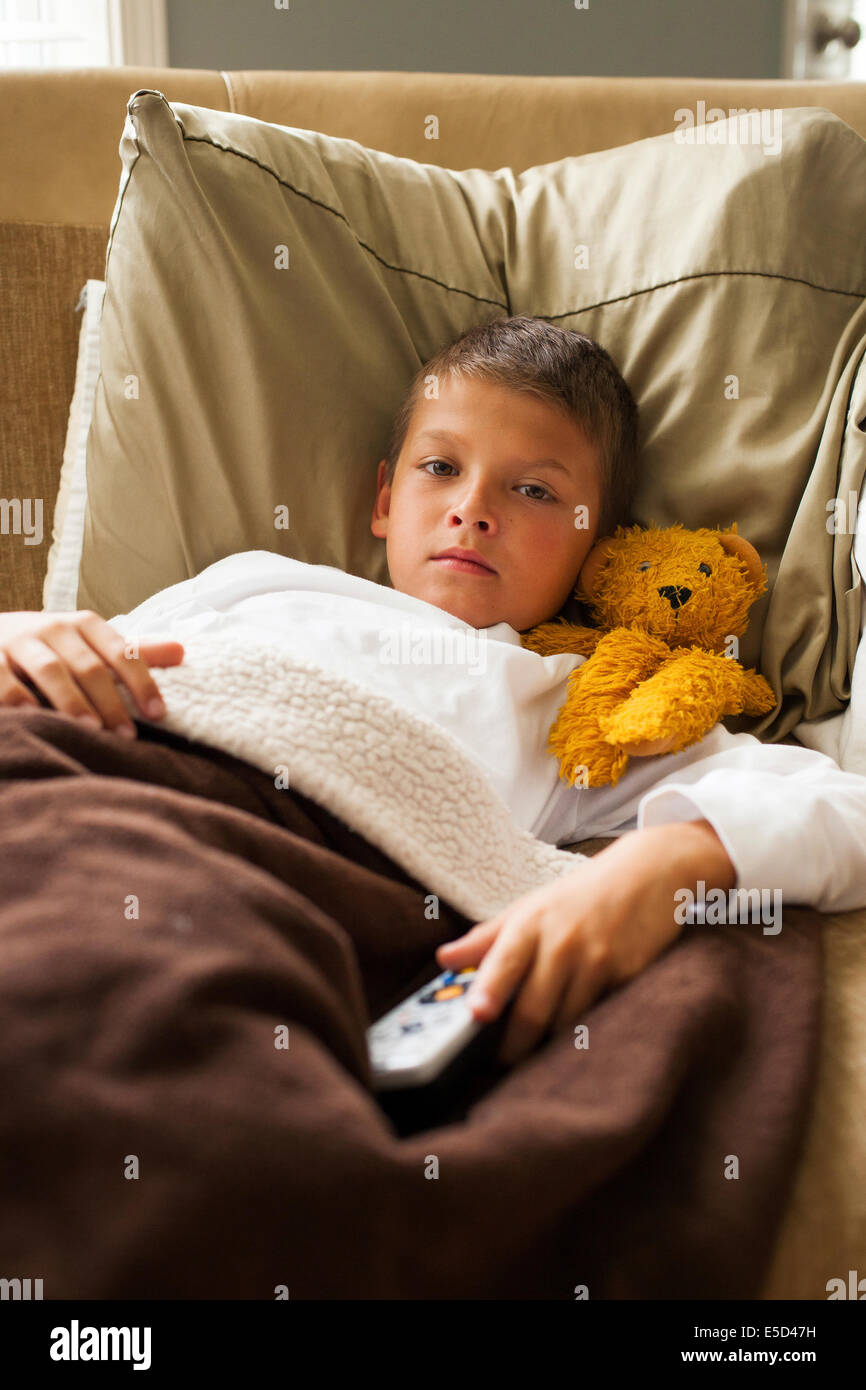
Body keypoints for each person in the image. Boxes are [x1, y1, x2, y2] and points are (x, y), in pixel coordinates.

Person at [2, 316, 865, 1070]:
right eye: (441, 466)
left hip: (282, 874)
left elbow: (840, 806)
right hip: (87, 775)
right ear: (384, 499)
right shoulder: (254, 580)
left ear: (595, 545)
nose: (473, 509)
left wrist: (663, 865)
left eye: (534, 490)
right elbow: (77, 659)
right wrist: (15, 635)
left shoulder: (580, 705)